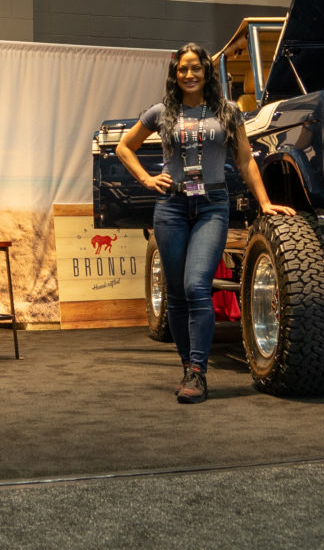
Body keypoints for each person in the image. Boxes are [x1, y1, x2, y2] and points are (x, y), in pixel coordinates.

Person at [115, 42, 294, 404]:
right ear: (175, 73)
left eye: (196, 67)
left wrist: (265, 202)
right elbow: (123, 147)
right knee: (177, 294)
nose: (190, 74)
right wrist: (148, 181)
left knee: (197, 286)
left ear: (206, 72)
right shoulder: (161, 112)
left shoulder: (227, 112)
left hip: (213, 206)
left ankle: (198, 371)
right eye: (183, 68)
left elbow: (245, 160)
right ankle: (187, 366)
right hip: (171, 208)